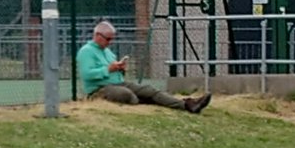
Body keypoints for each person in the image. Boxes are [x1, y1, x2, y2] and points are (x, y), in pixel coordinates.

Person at [76, 21, 211, 113]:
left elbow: (113, 70)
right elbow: (86, 74)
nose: (110, 42)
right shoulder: (86, 51)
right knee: (126, 94)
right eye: (108, 39)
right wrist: (108, 69)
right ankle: (144, 100)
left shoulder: (107, 51)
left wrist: (120, 69)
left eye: (111, 39)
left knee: (150, 90)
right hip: (99, 89)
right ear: (97, 35)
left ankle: (187, 105)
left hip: (118, 83)